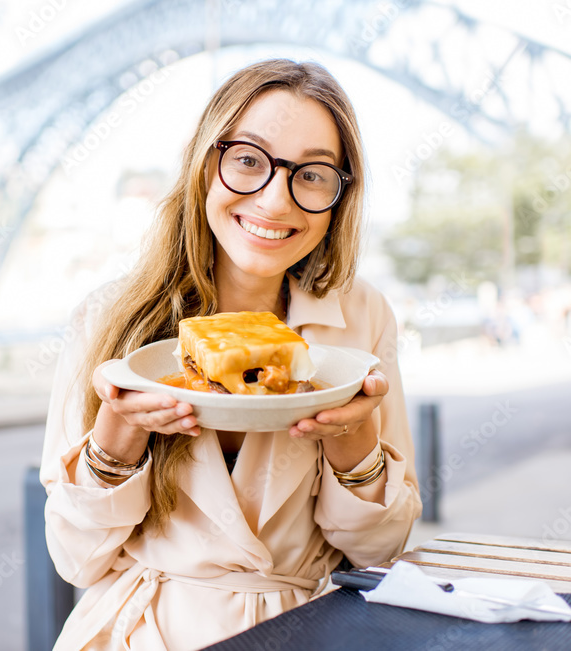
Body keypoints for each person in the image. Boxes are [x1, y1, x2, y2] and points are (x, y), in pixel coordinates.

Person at [40, 59, 423, 650]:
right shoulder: (108, 319)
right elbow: (76, 561)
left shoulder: (363, 316)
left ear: (341, 194)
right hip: (143, 632)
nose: (274, 201)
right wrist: (116, 436)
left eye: (314, 174)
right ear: (204, 163)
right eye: (248, 159)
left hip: (302, 633)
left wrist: (353, 442)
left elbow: (380, 552)